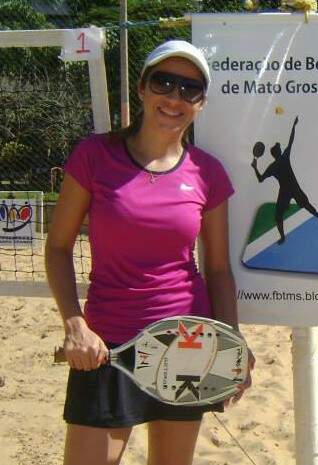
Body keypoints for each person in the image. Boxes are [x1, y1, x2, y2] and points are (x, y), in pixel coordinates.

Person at [45, 40, 254, 465]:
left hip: (185, 345)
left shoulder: (207, 172)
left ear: (201, 103)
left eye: (189, 89)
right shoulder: (94, 156)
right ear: (142, 88)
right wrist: (74, 324)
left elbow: (217, 270)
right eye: (164, 82)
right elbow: (57, 247)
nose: (174, 97)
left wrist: (231, 343)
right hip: (105, 344)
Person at [251, 116, 318, 244]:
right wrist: (294, 125)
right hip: (292, 188)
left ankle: (282, 237)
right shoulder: (284, 157)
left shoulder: (273, 166)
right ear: (278, 152)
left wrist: (255, 168)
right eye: (279, 148)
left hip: (285, 191)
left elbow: (260, 179)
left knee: (279, 216)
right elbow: (291, 140)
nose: (281, 148)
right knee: (307, 206)